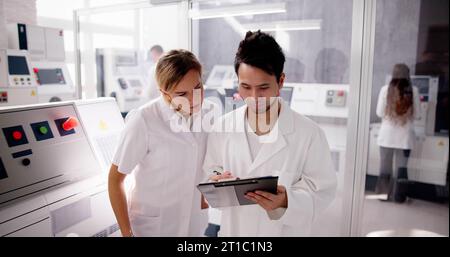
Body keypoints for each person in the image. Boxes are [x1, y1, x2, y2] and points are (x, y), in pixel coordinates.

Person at [202, 31, 337, 236]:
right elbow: (210, 172)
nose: (254, 97)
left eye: (263, 87)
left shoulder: (309, 134)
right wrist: (216, 181)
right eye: (245, 87)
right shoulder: (223, 127)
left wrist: (285, 201)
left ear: (281, 81)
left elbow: (322, 192)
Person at [108, 49, 217, 236]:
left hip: (193, 223)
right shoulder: (143, 120)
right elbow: (115, 180)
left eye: (198, 88)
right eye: (182, 93)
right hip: (153, 228)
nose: (193, 99)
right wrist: (127, 234)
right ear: (164, 93)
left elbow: (207, 163)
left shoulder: (209, 112)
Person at [375, 63, 421, 202]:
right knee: (401, 169)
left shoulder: (385, 90)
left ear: (393, 74)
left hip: (386, 136)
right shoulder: (414, 90)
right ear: (408, 74)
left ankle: (382, 195)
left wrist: (391, 116)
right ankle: (399, 198)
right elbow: (418, 115)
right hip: (405, 137)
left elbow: (379, 112)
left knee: (385, 168)